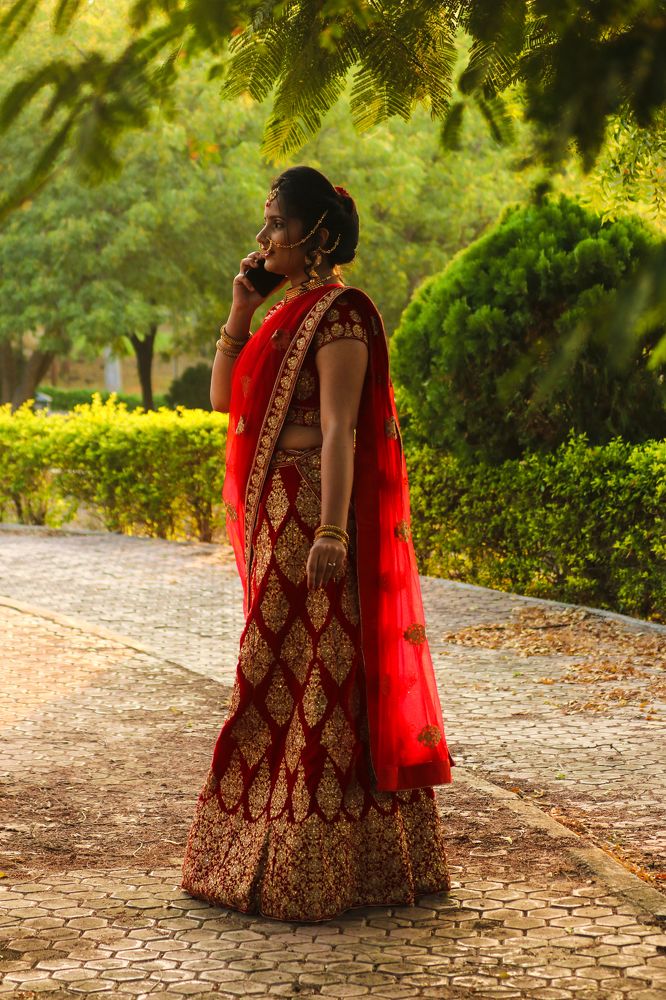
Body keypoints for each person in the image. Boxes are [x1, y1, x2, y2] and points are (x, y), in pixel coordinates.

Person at [180, 165, 455, 922]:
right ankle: (257, 847)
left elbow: (341, 430)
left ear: (317, 234)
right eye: (265, 221)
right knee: (270, 667)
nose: (264, 236)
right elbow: (221, 401)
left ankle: (338, 862)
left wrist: (333, 529)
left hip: (315, 515)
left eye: (276, 222)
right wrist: (240, 310)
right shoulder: (281, 311)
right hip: (276, 513)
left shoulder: (342, 316)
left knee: (324, 673)